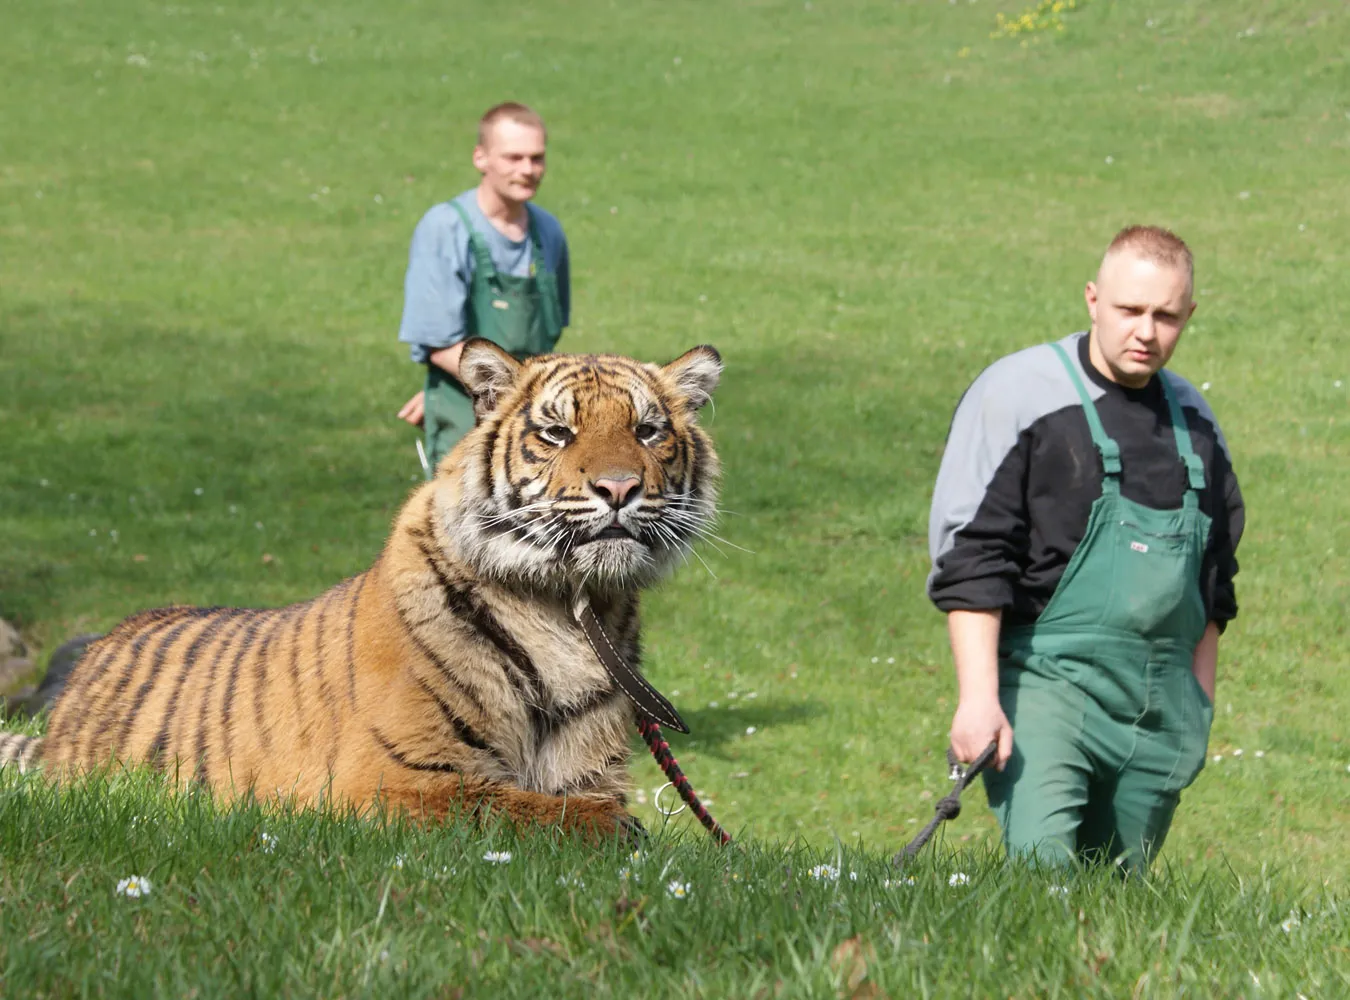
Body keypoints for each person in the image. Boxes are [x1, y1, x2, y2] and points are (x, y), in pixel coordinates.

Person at [926, 225, 1244, 871]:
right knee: (1045, 876)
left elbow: (1215, 583)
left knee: (1115, 905)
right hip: (1048, 685)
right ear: (1093, 299)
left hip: (1158, 707)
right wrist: (978, 699)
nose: (1146, 333)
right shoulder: (1019, 394)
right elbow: (973, 558)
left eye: (1166, 316)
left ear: (1189, 316)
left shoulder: (1195, 422)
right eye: (1130, 310)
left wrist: (1198, 708)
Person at [396, 102, 570, 472]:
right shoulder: (446, 229)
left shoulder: (548, 232)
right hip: (466, 410)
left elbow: (550, 332)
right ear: (481, 158)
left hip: (538, 417)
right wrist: (516, 394)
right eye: (513, 157)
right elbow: (440, 347)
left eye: (536, 158)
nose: (527, 170)